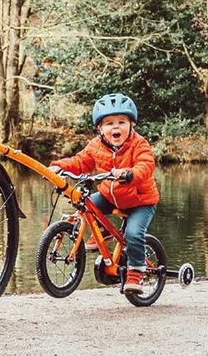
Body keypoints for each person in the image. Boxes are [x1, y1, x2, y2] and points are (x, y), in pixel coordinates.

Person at [47, 93, 160, 294]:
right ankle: (103, 232)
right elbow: (80, 162)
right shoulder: (95, 146)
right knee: (85, 204)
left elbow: (146, 165)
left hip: (140, 200)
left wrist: (129, 174)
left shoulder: (139, 144)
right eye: (109, 123)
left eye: (121, 122)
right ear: (100, 128)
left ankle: (135, 271)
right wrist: (58, 167)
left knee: (133, 234)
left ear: (131, 125)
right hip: (110, 195)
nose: (115, 127)